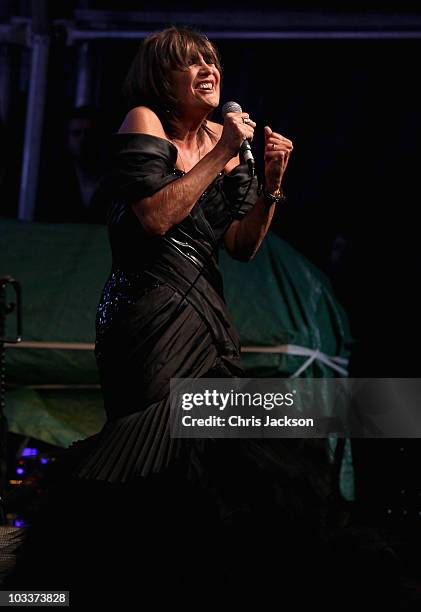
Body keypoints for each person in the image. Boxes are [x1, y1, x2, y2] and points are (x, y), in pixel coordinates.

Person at [5, 26, 362, 607]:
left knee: (216, 450)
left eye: (212, 60)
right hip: (147, 317)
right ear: (159, 77)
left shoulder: (228, 145)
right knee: (156, 447)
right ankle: (89, 580)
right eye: (190, 62)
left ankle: (189, 580)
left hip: (207, 318)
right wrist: (222, 151)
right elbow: (154, 217)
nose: (207, 69)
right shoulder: (144, 121)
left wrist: (270, 183)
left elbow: (243, 245)